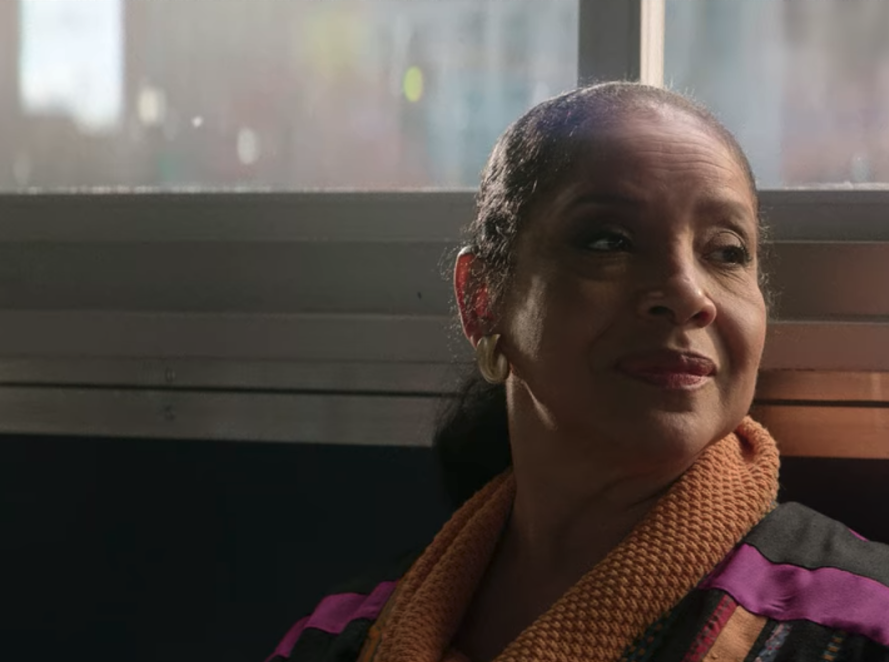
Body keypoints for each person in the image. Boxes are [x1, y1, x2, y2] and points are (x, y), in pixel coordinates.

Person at [265, 82, 889, 662]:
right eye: (607, 241)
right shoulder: (339, 634)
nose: (686, 292)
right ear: (482, 301)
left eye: (726, 252)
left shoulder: (858, 626)